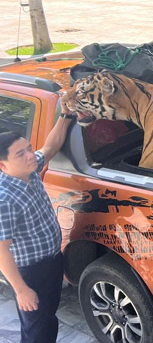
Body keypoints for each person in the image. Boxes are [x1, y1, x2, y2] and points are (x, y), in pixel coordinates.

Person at [0, 104, 75, 343]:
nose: (30, 155)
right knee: (36, 328)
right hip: (31, 272)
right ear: (3, 165)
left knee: (45, 318)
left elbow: (50, 147)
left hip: (51, 260)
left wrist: (65, 115)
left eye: (29, 149)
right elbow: (1, 250)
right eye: (20, 154)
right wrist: (22, 290)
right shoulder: (5, 198)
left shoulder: (29, 171)